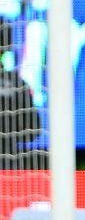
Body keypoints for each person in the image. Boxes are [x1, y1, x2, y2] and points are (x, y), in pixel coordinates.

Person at [0, 19, 42, 168]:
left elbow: (33, 129)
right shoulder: (17, 82)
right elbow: (33, 130)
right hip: (9, 165)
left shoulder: (17, 83)